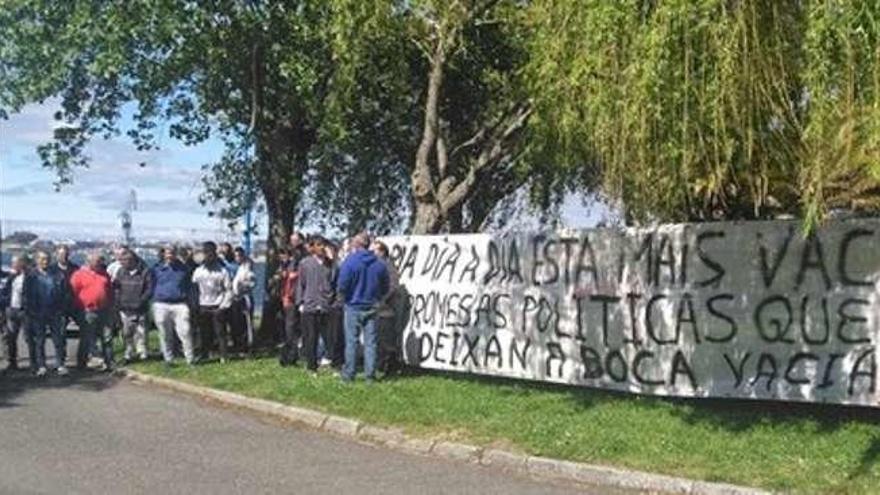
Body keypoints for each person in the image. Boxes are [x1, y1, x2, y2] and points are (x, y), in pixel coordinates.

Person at [337, 232, 389, 383]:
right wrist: (378, 297)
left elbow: (342, 284)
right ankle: (370, 376)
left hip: (353, 305)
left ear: (356, 245)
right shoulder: (379, 263)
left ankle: (349, 375)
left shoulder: (350, 262)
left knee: (352, 342)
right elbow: (385, 285)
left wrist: (345, 297)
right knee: (371, 343)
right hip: (372, 306)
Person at [296, 236, 335, 375]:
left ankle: (330, 360)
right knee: (311, 336)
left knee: (329, 336)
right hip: (310, 304)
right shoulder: (305, 263)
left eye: (323, 245)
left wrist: (332, 260)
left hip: (325, 304)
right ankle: (312, 366)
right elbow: (301, 284)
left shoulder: (329, 264)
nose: (321, 248)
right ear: (313, 248)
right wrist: (300, 302)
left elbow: (334, 281)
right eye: (318, 245)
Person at [24, 251, 67, 376]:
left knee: (58, 340)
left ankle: (60, 364)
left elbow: (64, 293)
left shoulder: (58, 275)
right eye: (42, 259)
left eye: (47, 259)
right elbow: (26, 295)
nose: (45, 261)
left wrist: (62, 309)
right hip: (37, 313)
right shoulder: (31, 276)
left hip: (55, 312)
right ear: (37, 260)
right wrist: (30, 311)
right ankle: (41, 365)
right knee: (40, 341)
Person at [151, 246, 195, 366]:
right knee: (165, 333)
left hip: (180, 304)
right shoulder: (156, 269)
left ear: (176, 254)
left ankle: (190, 358)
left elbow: (189, 286)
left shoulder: (184, 269)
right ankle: (168, 359)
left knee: (185, 331)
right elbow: (151, 284)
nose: (170, 256)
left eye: (172, 253)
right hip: (161, 304)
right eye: (167, 253)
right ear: (164, 254)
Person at [70, 252, 114, 371]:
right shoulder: (78, 275)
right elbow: (73, 293)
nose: (99, 263)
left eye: (100, 261)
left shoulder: (104, 275)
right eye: (97, 261)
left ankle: (109, 362)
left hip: (104, 310)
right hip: (88, 311)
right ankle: (81, 363)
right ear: (89, 261)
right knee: (86, 338)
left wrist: (111, 306)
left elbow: (110, 291)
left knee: (107, 337)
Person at [191, 241, 233, 363]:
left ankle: (224, 355)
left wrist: (223, 306)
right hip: (203, 305)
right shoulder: (199, 271)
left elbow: (228, 290)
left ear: (215, 254)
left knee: (220, 332)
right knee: (204, 333)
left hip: (218, 305)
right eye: (206, 253)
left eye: (210, 253)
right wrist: (195, 305)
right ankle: (204, 354)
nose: (208, 256)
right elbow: (194, 289)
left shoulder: (222, 271)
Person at [113, 248, 153, 363]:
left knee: (142, 332)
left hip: (140, 307)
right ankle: (128, 354)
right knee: (127, 333)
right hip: (125, 308)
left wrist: (141, 301)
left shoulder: (145, 271)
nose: (122, 263)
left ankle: (143, 353)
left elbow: (149, 289)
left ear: (132, 260)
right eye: (122, 260)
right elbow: (117, 288)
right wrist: (118, 302)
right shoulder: (120, 271)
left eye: (125, 260)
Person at [371, 241, 402, 377]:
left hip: (385, 309)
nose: (371, 253)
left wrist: (382, 300)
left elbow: (393, 286)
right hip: (377, 308)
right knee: (378, 339)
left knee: (386, 341)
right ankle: (381, 366)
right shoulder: (376, 266)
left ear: (382, 252)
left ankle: (389, 367)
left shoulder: (387, 266)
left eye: (374, 251)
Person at [1, 256, 28, 372]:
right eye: (13, 263)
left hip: (23, 310)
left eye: (16, 263)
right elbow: (5, 292)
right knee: (10, 337)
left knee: (29, 337)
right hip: (10, 310)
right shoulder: (9, 276)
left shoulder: (27, 276)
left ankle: (36, 362)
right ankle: (11, 362)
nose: (14, 265)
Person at [51, 245, 83, 332]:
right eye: (61, 255)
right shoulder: (51, 270)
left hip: (74, 304)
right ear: (56, 255)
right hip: (59, 305)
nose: (64, 257)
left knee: (85, 328)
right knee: (60, 333)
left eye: (65, 254)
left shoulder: (75, 269)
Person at [231, 247, 256, 353]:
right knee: (236, 322)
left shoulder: (248, 268)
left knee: (246, 323)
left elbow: (252, 283)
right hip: (235, 298)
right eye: (236, 256)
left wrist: (242, 286)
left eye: (239, 256)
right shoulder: (235, 267)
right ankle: (238, 344)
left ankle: (247, 346)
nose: (237, 258)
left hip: (245, 298)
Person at [278, 249, 300, 366]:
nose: (282, 258)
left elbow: (293, 285)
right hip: (285, 299)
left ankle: (291, 355)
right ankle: (289, 353)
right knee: (287, 328)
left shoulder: (294, 267)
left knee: (290, 329)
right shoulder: (284, 266)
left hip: (291, 300)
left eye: (284, 256)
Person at [324, 242, 344, 369]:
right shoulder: (331, 265)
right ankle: (331, 355)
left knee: (335, 332)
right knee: (330, 332)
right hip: (332, 302)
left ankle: (335, 358)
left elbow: (333, 284)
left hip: (336, 303)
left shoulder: (336, 265)